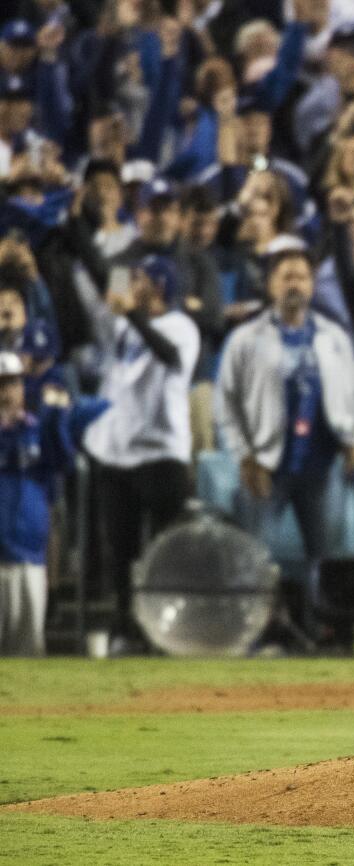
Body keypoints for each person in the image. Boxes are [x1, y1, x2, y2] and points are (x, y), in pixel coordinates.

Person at [215, 246, 354, 640]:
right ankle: (257, 632)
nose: (294, 284)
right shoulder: (245, 339)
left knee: (328, 558)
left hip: (321, 463)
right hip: (268, 465)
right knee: (257, 557)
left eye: (301, 276)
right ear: (270, 285)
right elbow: (225, 406)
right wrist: (244, 456)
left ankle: (329, 632)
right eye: (285, 276)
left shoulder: (332, 336)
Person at [79, 255, 200, 654]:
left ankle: (168, 632)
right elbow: (105, 275)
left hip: (162, 454)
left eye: (140, 279)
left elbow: (169, 355)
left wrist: (130, 314)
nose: (131, 284)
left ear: (159, 286)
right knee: (121, 552)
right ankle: (124, 629)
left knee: (166, 552)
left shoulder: (181, 325)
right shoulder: (121, 325)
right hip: (117, 455)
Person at [0, 351, 97, 655]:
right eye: (1, 384)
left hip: (29, 554)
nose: (5, 392)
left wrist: (55, 418)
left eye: (12, 383)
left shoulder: (36, 429)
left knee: (27, 651)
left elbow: (64, 463)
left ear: (22, 387)